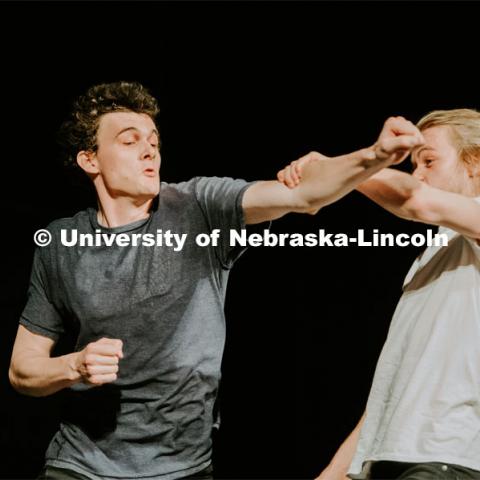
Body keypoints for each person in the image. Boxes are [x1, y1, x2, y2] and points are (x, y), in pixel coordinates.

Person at [8, 81, 421, 480]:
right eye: (130, 141)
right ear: (90, 160)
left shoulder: (198, 207)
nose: (149, 150)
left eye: (154, 140)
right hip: (82, 465)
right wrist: (74, 366)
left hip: (182, 467)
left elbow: (303, 196)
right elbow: (23, 371)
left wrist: (376, 155)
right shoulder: (62, 244)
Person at [278, 108, 480, 480]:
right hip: (390, 460)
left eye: (429, 161)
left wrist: (339, 168)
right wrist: (334, 473)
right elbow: (395, 386)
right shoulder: (438, 253)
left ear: (475, 164)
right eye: (415, 164)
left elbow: (413, 200)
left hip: (447, 458)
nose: (417, 174)